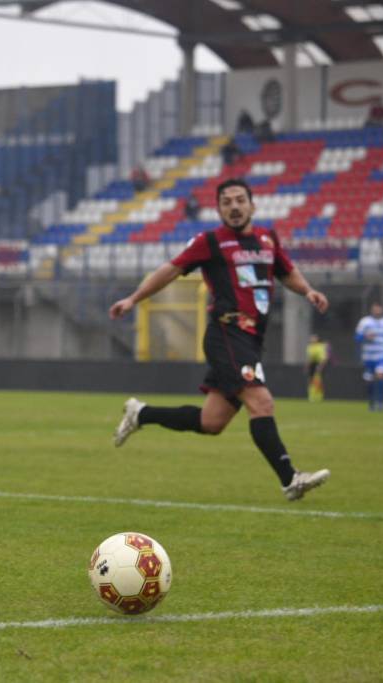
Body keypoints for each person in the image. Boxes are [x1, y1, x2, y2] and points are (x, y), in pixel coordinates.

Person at [108, 178, 331, 502]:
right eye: (227, 202)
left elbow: (287, 272)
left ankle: (141, 414)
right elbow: (169, 270)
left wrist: (308, 290)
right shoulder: (210, 241)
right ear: (219, 209)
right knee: (261, 401)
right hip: (227, 333)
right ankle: (290, 479)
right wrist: (133, 299)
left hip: (252, 339)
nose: (234, 206)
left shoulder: (268, 239)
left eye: (240, 200)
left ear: (252, 205)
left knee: (211, 421)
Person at [355, 302, 383, 411]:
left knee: (381, 376)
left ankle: (380, 402)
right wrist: (366, 337)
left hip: (382, 354)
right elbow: (357, 338)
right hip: (368, 355)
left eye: (379, 309)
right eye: (375, 309)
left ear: (382, 310)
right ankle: (371, 402)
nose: (377, 311)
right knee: (369, 380)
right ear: (372, 310)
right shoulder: (365, 321)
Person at [306, 333, 330, 402]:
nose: (313, 339)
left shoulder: (321, 346)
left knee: (319, 381)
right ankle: (311, 396)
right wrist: (307, 365)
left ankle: (320, 396)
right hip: (312, 364)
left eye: (314, 338)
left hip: (319, 363)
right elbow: (309, 358)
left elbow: (324, 358)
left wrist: (321, 366)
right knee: (311, 380)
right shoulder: (310, 346)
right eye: (312, 338)